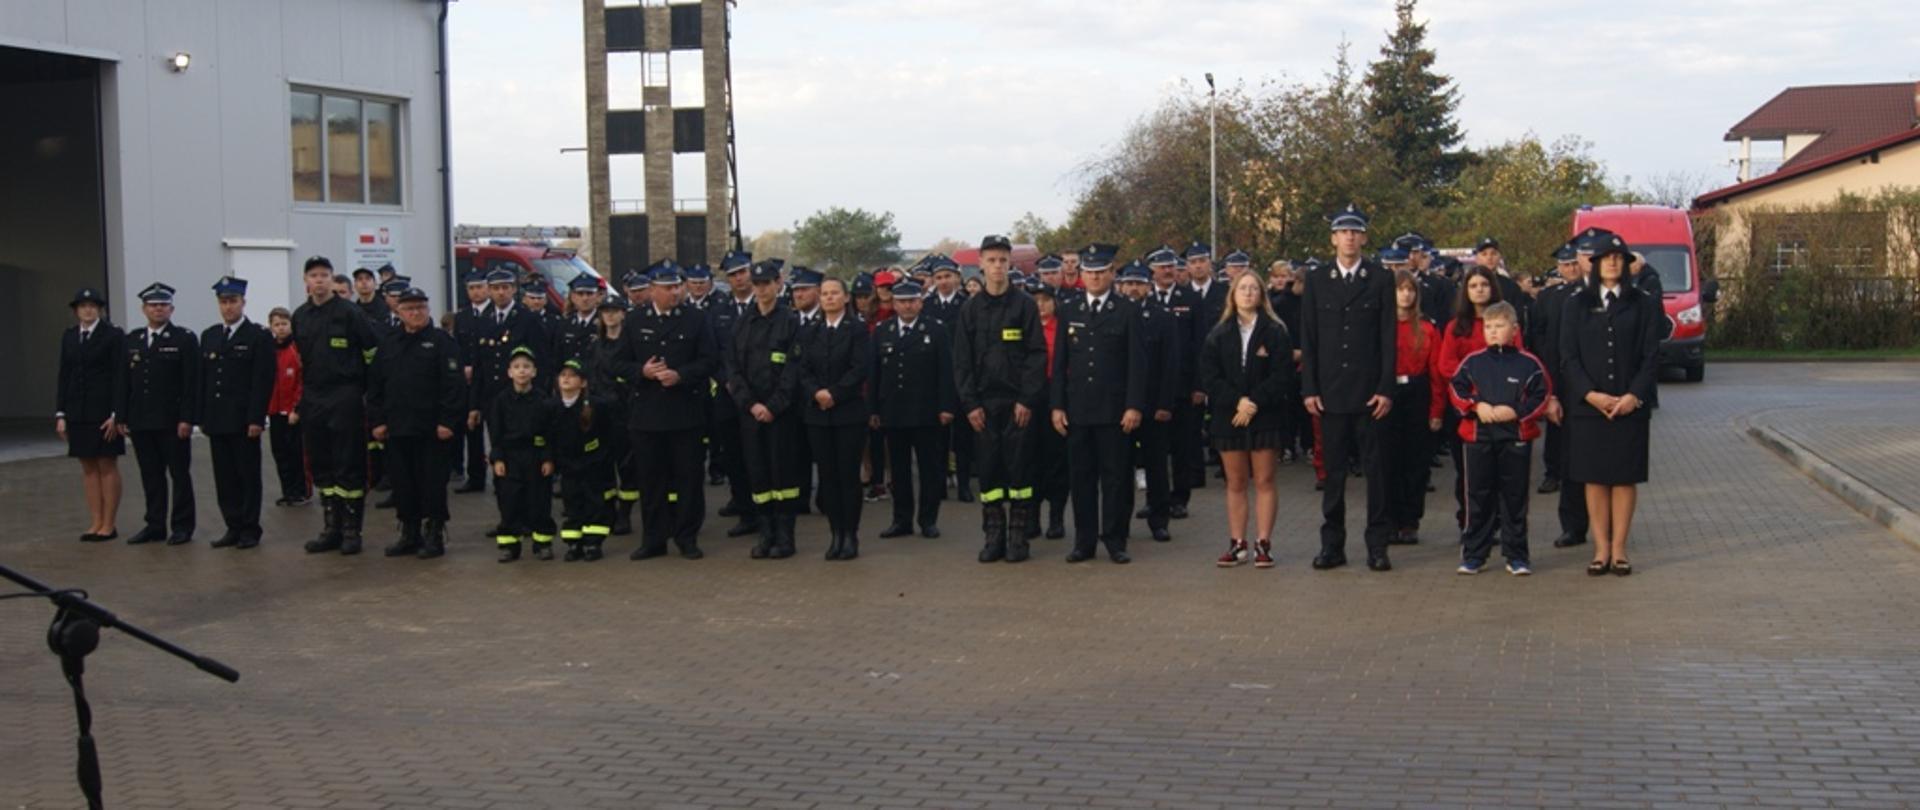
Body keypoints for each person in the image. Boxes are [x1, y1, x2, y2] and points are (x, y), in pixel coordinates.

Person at [1299, 204, 1398, 572]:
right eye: (1343, 232)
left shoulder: (1380, 279)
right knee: (1334, 474)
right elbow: (1308, 338)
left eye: (1356, 232)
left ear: (1365, 238)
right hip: (1330, 393)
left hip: (1370, 393)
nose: (1350, 238)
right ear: (1333, 239)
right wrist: (1309, 388)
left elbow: (1388, 338)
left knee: (1376, 472)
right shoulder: (1318, 279)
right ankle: (1333, 546)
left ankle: (1377, 544)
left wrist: (1386, 388)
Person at [1561, 233, 1661, 577]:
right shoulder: (1576, 303)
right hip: (1590, 406)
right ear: (1596, 264)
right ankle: (1600, 548)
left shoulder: (1643, 302)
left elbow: (1651, 355)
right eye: (1607, 258)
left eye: (1619, 258)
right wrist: (1589, 393)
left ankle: (1619, 548)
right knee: (1595, 478)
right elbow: (1568, 356)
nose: (1614, 263)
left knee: (1623, 478)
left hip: (1629, 404)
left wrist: (1634, 395)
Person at [952, 234, 1048, 563]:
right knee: (990, 474)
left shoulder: (1023, 305)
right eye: (991, 260)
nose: (997, 266)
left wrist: (1027, 399)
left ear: (1009, 264)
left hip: (1017, 405)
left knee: (1020, 472)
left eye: (1002, 260)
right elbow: (961, 362)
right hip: (982, 406)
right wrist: (970, 405)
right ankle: (993, 535)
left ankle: (1019, 537)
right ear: (980, 263)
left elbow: (1037, 356)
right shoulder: (970, 309)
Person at [1051, 244, 1147, 564]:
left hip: (1115, 410)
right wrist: (1057, 406)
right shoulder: (1069, 308)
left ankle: (1115, 539)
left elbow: (1137, 363)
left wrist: (1134, 405)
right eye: (1089, 272)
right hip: (1078, 409)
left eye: (1100, 271)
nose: (1094, 277)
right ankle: (1084, 540)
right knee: (1081, 478)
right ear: (1081, 275)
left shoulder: (1127, 310)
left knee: (1116, 478)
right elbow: (1060, 362)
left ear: (1112, 273)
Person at [617, 262, 717, 561]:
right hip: (647, 415)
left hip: (685, 413)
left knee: (688, 479)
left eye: (678, 286)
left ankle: (687, 537)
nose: (675, 292)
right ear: (653, 291)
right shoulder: (634, 320)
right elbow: (616, 363)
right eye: (668, 288)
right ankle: (654, 539)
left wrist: (682, 375)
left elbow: (710, 360)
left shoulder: (696, 319)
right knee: (651, 481)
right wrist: (642, 372)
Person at [1447, 301, 1551, 576]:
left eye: (1500, 326)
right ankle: (1473, 555)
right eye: (1489, 327)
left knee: (1514, 498)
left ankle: (1516, 555)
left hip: (1515, 438)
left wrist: (1516, 412)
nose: (1494, 332)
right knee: (1477, 497)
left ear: (1514, 329)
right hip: (1478, 438)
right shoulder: (1473, 362)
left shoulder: (1529, 364)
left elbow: (1542, 397)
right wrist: (1475, 406)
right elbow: (1456, 390)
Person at [1199, 272, 1293, 568]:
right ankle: (1237, 543)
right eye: (1243, 288)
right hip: (1230, 417)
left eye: (1254, 288)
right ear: (1233, 294)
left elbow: (1283, 375)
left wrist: (1254, 402)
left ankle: (1263, 543)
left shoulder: (1276, 331)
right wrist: (1236, 401)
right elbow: (1210, 377)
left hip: (1265, 415)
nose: (1248, 293)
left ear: (1262, 295)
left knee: (1264, 480)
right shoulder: (1218, 333)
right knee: (1236, 481)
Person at [366, 286, 465, 560]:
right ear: (399, 312)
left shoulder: (442, 342)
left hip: (432, 429)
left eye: (421, 308)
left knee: (432, 484)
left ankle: (434, 533)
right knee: (403, 483)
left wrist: (448, 421)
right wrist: (377, 421)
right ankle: (409, 532)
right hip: (397, 428)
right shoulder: (389, 343)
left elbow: (454, 386)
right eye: (409, 308)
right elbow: (375, 386)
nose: (416, 313)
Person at [294, 256, 381, 555]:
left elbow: (372, 351)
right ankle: (330, 527)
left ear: (332, 279)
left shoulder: (349, 313)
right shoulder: (301, 316)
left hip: (345, 394)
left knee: (349, 463)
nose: (319, 280)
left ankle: (351, 530)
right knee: (322, 464)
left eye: (324, 275)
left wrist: (366, 392)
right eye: (313, 275)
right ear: (305, 280)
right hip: (314, 397)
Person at [728, 260, 806, 559]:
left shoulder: (790, 321)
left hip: (781, 414)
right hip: (750, 413)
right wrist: (751, 404)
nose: (761, 289)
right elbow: (732, 368)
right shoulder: (743, 322)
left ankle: (785, 536)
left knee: (783, 476)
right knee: (758, 476)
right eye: (757, 284)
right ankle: (765, 533)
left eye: (766, 283)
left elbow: (793, 370)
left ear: (778, 284)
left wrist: (772, 406)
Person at [1434, 266, 1521, 529]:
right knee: (1469, 474)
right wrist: (1475, 393)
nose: (1479, 289)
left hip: (1502, 406)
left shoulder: (1506, 324)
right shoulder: (1455, 327)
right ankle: (1470, 523)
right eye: (1473, 285)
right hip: (1467, 408)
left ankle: (1499, 522)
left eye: (1484, 284)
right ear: (1465, 291)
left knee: (1501, 472)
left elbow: (1519, 359)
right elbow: (1446, 365)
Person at [872, 279, 955, 540]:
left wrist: (946, 406)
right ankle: (901, 520)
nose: (907, 306)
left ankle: (928, 520)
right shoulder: (882, 331)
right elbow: (874, 374)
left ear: (921, 302)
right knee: (899, 471)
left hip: (926, 411)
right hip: (894, 412)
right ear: (894, 304)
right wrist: (873, 409)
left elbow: (946, 372)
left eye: (912, 300)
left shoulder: (936, 330)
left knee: (930, 470)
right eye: (902, 301)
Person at [198, 277, 275, 549]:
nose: (228, 307)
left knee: (247, 476)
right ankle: (233, 525)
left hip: (243, 420)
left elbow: (262, 380)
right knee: (225, 477)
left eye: (233, 301)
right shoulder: (210, 335)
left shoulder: (258, 336)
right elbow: (204, 380)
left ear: (243, 302)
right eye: (223, 302)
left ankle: (250, 528)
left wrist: (256, 418)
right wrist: (203, 417)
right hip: (217, 419)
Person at [797, 278, 871, 560]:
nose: (829, 298)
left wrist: (835, 393)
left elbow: (860, 368)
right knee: (828, 477)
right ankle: (835, 535)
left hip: (847, 413)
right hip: (818, 415)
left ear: (845, 297)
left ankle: (850, 535)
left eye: (834, 293)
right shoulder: (812, 330)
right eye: (825, 294)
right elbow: (802, 369)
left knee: (847, 477)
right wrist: (816, 392)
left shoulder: (857, 330)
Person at [122, 282, 199, 546]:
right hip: (142, 420)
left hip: (172, 421)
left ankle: (182, 526)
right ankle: (155, 525)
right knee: (151, 475)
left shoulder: (184, 339)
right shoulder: (132, 339)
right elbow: (125, 383)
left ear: (172, 309)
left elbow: (191, 383)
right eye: (153, 305)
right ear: (144, 309)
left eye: (163, 305)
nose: (158, 309)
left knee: (179, 474)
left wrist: (187, 418)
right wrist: (123, 417)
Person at [1117, 260, 1183, 542]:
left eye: (1139, 283)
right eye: (1129, 283)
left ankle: (1159, 519)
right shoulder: (1114, 315)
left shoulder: (1163, 317)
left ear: (1148, 285)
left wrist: (1165, 404)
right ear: (1121, 286)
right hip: (1121, 407)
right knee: (1120, 469)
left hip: (1154, 404)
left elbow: (1171, 364)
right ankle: (1119, 523)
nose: (1134, 288)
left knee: (1156, 466)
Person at [469, 267, 549, 500]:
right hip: (494, 400)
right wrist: (474, 405)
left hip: (523, 398)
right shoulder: (483, 320)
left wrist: (540, 395)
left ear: (514, 289)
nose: (501, 293)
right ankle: (508, 513)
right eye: (495, 288)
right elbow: (480, 367)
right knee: (499, 455)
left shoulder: (527, 319)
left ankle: (526, 511)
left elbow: (542, 360)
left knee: (524, 458)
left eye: (505, 287)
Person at [58, 287, 127, 542]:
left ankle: (109, 523)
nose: (87, 310)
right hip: (78, 411)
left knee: (106, 464)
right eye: (82, 306)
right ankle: (95, 521)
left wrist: (117, 414)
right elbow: (64, 375)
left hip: (104, 411)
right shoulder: (69, 337)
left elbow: (121, 375)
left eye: (92, 306)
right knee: (87, 466)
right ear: (76, 310)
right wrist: (61, 412)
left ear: (99, 309)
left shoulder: (113, 335)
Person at [1144, 248, 1205, 520]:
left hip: (1183, 386)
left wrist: (1199, 385)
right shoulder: (1145, 301)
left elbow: (1201, 345)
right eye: (1162, 267)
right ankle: (1154, 499)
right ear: (1152, 271)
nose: (1168, 271)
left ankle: (1180, 498)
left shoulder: (1190, 299)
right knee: (1153, 449)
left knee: (1183, 446)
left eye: (1171, 266)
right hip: (1152, 389)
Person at [1385, 270, 1441, 546]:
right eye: (1400, 289)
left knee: (1415, 462)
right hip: (1388, 393)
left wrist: (1435, 410)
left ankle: (1410, 521)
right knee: (1388, 461)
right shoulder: (1382, 326)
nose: (1405, 294)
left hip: (1417, 392)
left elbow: (1436, 373)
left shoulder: (1428, 327)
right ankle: (1390, 520)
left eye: (1410, 289)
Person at [708, 253, 759, 537]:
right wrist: (726, 380)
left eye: (743, 272)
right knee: (734, 455)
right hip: (728, 394)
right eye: (733, 275)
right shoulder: (719, 310)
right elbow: (714, 351)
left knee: (759, 455)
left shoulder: (766, 306)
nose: (739, 278)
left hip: (759, 394)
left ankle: (765, 511)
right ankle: (744, 510)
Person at [488, 348, 556, 562]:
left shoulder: (543, 400)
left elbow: (550, 432)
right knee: (510, 502)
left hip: (535, 457)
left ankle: (542, 543)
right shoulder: (501, 401)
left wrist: (547, 458)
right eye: (517, 367)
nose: (522, 371)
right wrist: (497, 458)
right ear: (509, 372)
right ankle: (510, 545)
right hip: (510, 458)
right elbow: (495, 433)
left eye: (526, 367)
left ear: (534, 372)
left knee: (539, 502)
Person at [1529, 242, 1584, 499]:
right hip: (1553, 367)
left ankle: (1579, 470)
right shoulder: (1548, 296)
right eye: (1566, 264)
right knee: (1555, 422)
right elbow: (1537, 330)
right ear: (1559, 268)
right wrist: (1543, 356)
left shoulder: (1590, 293)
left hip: (1583, 369)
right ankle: (1553, 472)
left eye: (1575, 263)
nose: (1571, 268)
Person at [550, 359, 616, 562]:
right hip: (568, 466)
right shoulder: (552, 407)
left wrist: (601, 457)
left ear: (584, 382)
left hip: (592, 464)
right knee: (572, 504)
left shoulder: (597, 406)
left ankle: (593, 543)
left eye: (572, 375)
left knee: (594, 504)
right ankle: (573, 543)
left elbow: (608, 434)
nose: (567, 379)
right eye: (563, 375)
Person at [587, 293, 637, 536]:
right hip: (600, 410)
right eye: (605, 311)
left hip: (624, 410)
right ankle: (608, 511)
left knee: (626, 464)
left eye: (614, 310)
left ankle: (625, 513)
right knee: (602, 463)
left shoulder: (631, 344)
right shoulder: (596, 345)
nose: (609, 315)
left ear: (623, 314)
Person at [1026, 279, 1070, 539]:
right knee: (1030, 460)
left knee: (1057, 461)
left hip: (1057, 396)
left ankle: (1056, 519)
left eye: (1045, 300)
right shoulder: (1024, 327)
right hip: (1030, 398)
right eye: (1035, 301)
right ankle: (1031, 517)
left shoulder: (1064, 328)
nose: (1040, 306)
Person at [451, 270, 493, 494]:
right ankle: (475, 476)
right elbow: (458, 347)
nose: (476, 292)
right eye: (471, 288)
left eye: (479, 287)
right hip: (469, 381)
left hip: (491, 380)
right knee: (472, 430)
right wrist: (463, 367)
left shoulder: (494, 314)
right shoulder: (462, 317)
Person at [266, 307, 310, 506]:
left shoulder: (297, 349)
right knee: (280, 453)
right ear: (271, 327)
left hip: (293, 412)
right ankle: (288, 491)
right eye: (277, 324)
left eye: (284, 324)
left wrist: (297, 408)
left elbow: (302, 381)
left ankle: (302, 491)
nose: (281, 328)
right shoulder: (269, 349)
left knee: (297, 454)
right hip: (275, 411)